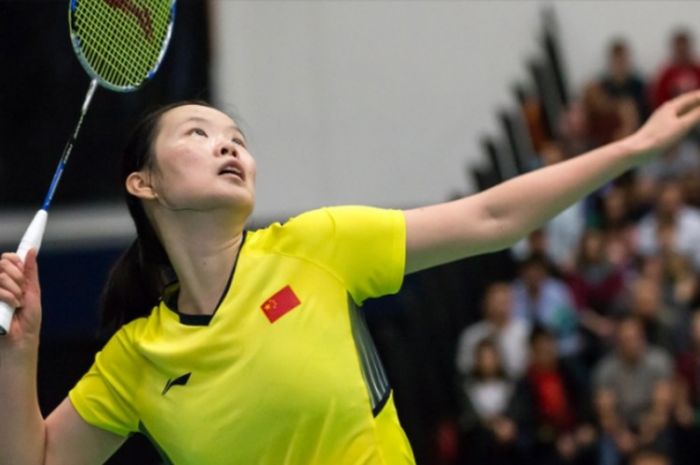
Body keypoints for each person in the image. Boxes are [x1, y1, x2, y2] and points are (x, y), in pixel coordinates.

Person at [2, 89, 700, 465]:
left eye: (236, 138)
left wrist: (633, 148)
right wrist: (19, 349)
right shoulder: (136, 359)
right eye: (198, 133)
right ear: (143, 183)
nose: (228, 144)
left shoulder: (318, 246)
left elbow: (493, 216)